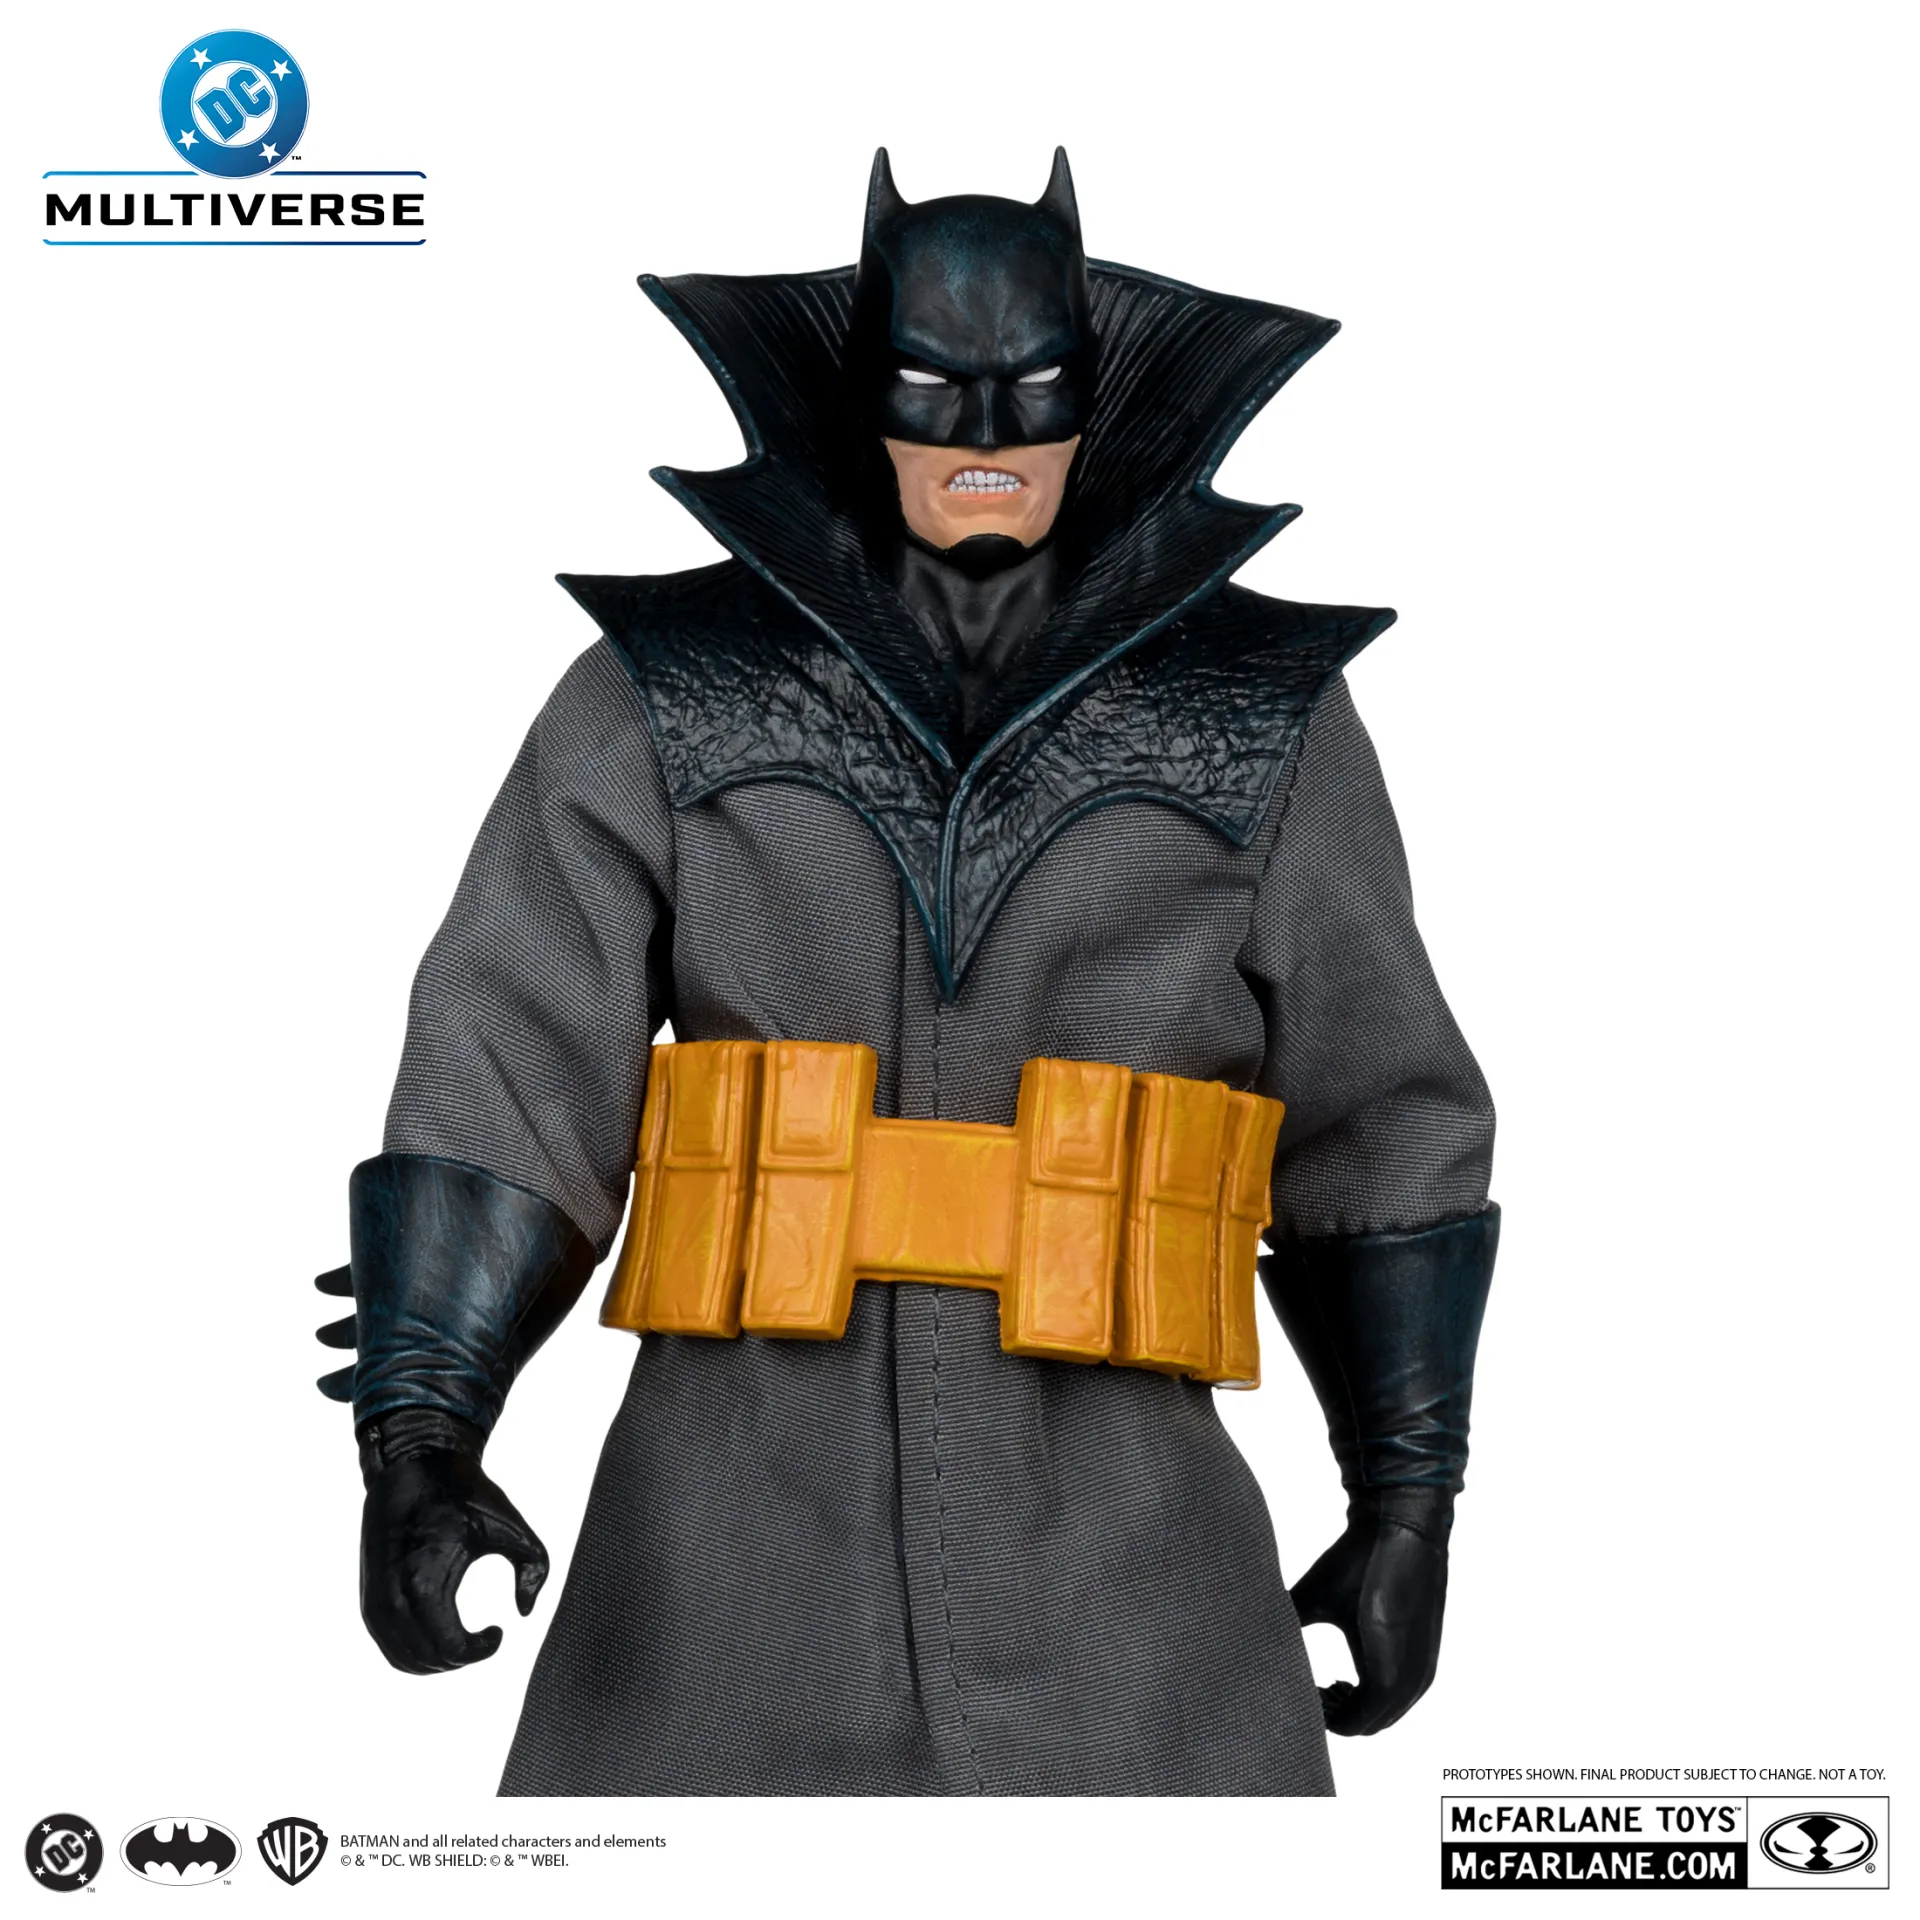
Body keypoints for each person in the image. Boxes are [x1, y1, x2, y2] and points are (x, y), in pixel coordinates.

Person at [316, 149, 1498, 1795]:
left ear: (1097, 396)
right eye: (938, 395)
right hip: (725, 1578)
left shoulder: (1254, 717)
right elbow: (512, 1053)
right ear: (860, 394)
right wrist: (423, 1431)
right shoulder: (673, 693)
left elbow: (1383, 1112)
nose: (987, 438)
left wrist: (1406, 1500)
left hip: (1132, 1593)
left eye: (1033, 394)